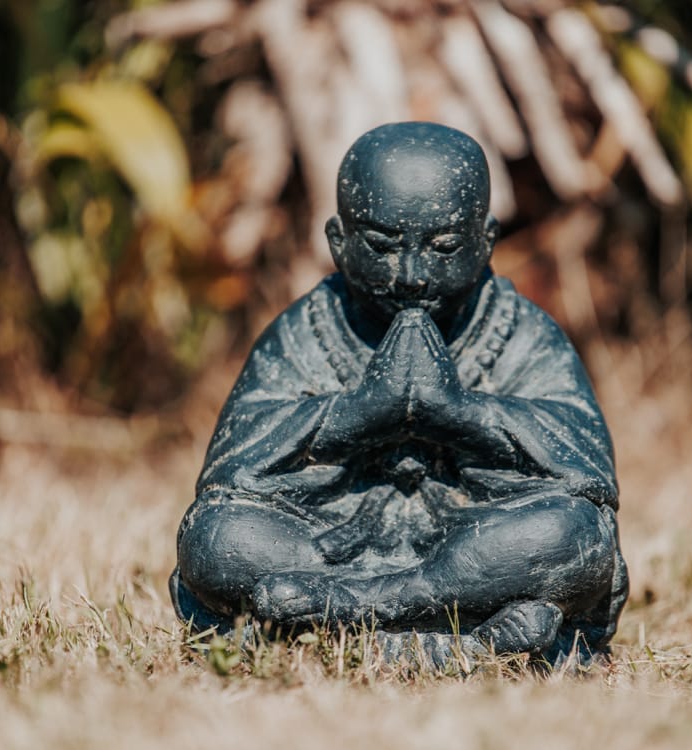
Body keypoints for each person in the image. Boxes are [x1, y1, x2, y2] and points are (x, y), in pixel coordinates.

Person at [170, 122, 628, 661]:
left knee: (575, 533)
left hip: (470, 552)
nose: (411, 274)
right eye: (384, 247)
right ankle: (472, 638)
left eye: (443, 246)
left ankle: (336, 617)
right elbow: (232, 474)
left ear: (486, 241)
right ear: (338, 243)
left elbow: (588, 476)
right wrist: (360, 414)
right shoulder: (308, 329)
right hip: (328, 545)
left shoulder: (518, 331)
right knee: (215, 537)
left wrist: (457, 413)